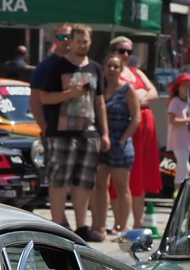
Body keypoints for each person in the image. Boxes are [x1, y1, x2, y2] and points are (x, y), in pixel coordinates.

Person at [37, 24, 109, 240]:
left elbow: (100, 102)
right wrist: (70, 93)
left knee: (84, 182)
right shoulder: (59, 66)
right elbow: (44, 97)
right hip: (61, 132)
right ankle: (57, 223)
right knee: (59, 180)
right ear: (72, 41)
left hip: (88, 132)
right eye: (78, 41)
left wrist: (104, 133)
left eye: (85, 41)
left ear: (90, 41)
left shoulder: (95, 68)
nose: (82, 44)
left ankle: (81, 226)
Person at [109, 36, 160, 227]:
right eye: (122, 51)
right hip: (128, 127)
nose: (126, 55)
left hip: (146, 126)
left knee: (142, 173)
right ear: (113, 51)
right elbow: (125, 98)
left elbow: (153, 92)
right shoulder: (113, 73)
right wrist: (138, 97)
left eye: (129, 52)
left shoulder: (136, 71)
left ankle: (138, 222)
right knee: (126, 174)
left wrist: (139, 98)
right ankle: (120, 222)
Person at [97, 54, 141, 239]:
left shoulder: (127, 89)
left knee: (122, 186)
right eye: (109, 66)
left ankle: (121, 227)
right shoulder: (99, 89)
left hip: (120, 144)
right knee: (99, 185)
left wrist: (123, 139)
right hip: (100, 143)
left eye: (116, 66)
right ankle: (99, 225)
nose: (112, 69)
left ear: (121, 69)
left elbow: (136, 117)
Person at [28, 23, 73, 133]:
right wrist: (44, 128)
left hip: (77, 129)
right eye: (61, 37)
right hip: (54, 128)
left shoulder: (81, 64)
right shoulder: (45, 66)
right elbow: (35, 100)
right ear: (55, 40)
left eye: (69, 36)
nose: (65, 40)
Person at [166, 74, 190, 185]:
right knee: (185, 168)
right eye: (184, 85)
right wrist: (188, 120)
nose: (187, 88)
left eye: (189, 85)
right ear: (178, 87)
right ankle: (178, 194)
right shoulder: (175, 101)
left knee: (182, 169)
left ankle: (177, 196)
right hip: (177, 140)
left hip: (187, 140)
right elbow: (172, 120)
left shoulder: (189, 103)